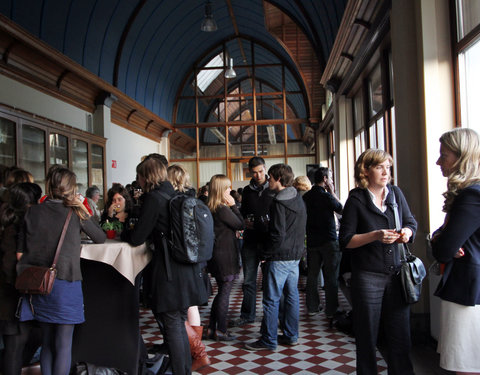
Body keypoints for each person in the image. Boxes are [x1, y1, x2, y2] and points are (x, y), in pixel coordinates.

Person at [16, 167, 106, 375]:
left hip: (40, 283)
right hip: (66, 282)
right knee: (64, 344)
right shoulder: (74, 213)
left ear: (49, 186)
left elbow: (20, 253)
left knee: (47, 342)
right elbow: (100, 238)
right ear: (71, 189)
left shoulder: (32, 211)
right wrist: (82, 209)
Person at [123, 157, 208, 375]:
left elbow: (137, 237)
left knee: (172, 325)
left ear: (145, 177)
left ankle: (182, 371)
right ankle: (185, 368)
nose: (138, 181)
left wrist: (126, 228)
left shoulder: (153, 198)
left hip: (169, 272)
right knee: (177, 321)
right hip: (187, 269)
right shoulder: (178, 194)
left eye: (139, 176)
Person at [338, 149, 417, 375]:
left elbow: (411, 222)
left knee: (400, 336)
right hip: (367, 276)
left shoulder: (395, 194)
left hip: (397, 274)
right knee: (367, 336)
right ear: (366, 170)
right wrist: (375, 235)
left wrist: (407, 233)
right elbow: (345, 241)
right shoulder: (356, 199)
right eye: (379, 167)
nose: (385, 172)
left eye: (388, 167)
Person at [431, 128, 480, 375]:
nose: (439, 161)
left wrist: (438, 239)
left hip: (468, 292)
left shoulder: (471, 195)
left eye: (444, 155)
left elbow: (444, 249)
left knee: (466, 367)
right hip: (470, 290)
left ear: (462, 157)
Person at [245, 163, 306, 350]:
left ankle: (268, 340)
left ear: (278, 179)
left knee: (271, 300)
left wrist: (266, 254)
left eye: (270, 177)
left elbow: (277, 234)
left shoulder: (279, 202)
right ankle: (291, 335)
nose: (268, 180)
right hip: (295, 255)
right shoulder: (298, 198)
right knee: (292, 296)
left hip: (279, 257)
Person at [167, 164, 210, 371]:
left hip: (179, 260)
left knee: (178, 314)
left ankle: (197, 353)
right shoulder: (193, 199)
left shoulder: (172, 203)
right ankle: (197, 353)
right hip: (196, 260)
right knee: (189, 307)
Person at [0, 182, 42, 375]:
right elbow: (9, 267)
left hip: (9, 298)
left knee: (16, 347)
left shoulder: (8, 222)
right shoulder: (15, 228)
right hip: (12, 298)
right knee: (15, 349)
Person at [232, 156, 276, 327]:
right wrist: (244, 222)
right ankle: (247, 314)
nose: (258, 175)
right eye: (254, 172)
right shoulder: (247, 191)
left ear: (265, 168)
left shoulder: (272, 189)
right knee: (249, 280)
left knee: (269, 282)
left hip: (267, 241)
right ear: (249, 172)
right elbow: (242, 214)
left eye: (260, 171)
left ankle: (271, 316)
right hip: (250, 240)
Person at [204, 175, 244, 341]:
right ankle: (221, 330)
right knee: (224, 293)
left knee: (222, 292)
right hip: (225, 255)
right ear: (221, 190)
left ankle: (212, 328)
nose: (230, 190)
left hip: (217, 254)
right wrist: (234, 206)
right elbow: (240, 225)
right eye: (227, 187)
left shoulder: (210, 206)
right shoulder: (222, 208)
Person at [303, 167, 343, 319]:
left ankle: (312, 307)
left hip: (312, 240)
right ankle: (331, 309)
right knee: (331, 275)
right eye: (330, 178)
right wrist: (332, 191)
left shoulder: (306, 197)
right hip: (328, 240)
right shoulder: (326, 196)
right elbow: (341, 209)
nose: (331, 181)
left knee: (312, 275)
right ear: (325, 179)